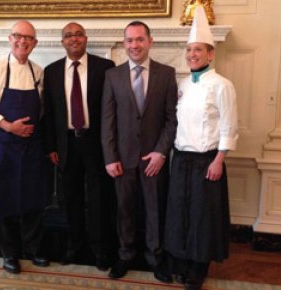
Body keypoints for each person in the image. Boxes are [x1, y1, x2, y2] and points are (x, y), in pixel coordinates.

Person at [164, 6, 238, 290]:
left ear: (211, 54)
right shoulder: (183, 83)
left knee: (202, 216)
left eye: (198, 50)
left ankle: (198, 267)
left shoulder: (222, 85)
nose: (192, 54)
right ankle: (181, 262)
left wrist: (219, 159)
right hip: (181, 159)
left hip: (207, 160)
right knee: (180, 213)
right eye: (189, 50)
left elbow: (229, 126)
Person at [101, 21, 178, 282]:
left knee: (155, 210)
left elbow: (171, 119)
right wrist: (110, 157)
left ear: (150, 41)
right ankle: (125, 255)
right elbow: (107, 120)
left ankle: (156, 258)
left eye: (139, 40)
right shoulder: (112, 76)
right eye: (130, 40)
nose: (134, 45)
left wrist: (161, 152)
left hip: (153, 159)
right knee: (124, 209)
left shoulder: (167, 74)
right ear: (124, 44)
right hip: (122, 158)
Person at [0, 20, 49, 274]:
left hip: (31, 148)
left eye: (28, 38)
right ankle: (9, 254)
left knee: (33, 201)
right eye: (18, 36)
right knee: (3, 202)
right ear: (10, 38)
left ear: (35, 43)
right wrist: (9, 126)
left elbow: (42, 110)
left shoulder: (38, 72)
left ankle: (34, 249)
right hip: (3, 147)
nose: (23, 42)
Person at [43, 22, 116, 271]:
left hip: (95, 143)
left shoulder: (105, 68)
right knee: (70, 198)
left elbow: (111, 111)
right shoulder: (51, 71)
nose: (74, 39)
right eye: (68, 35)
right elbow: (49, 113)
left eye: (78, 34)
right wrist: (51, 146)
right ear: (62, 42)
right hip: (65, 143)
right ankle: (74, 245)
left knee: (98, 198)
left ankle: (100, 248)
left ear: (86, 38)